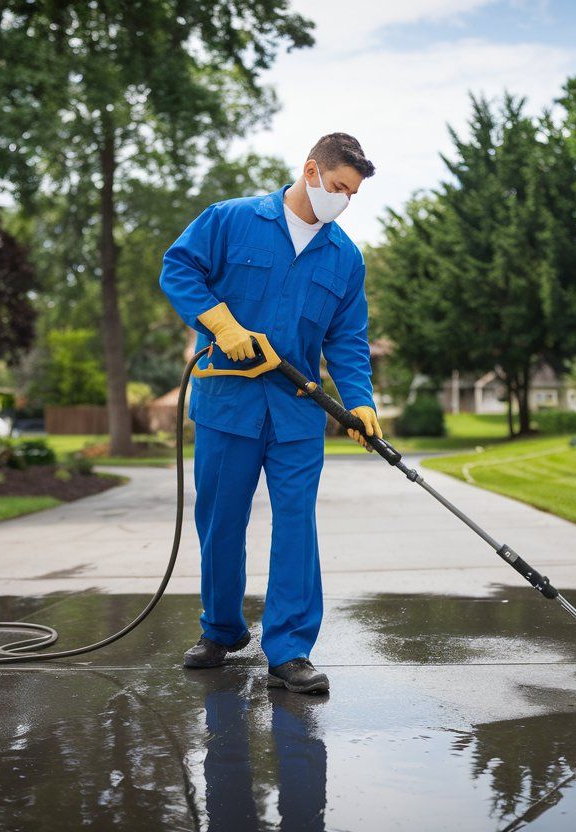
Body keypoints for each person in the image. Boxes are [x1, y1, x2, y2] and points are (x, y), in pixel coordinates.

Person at [159, 133, 380, 694]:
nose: (342, 202)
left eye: (351, 195)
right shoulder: (231, 220)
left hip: (298, 411)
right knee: (222, 520)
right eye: (337, 187)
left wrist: (359, 401)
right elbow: (178, 268)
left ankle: (289, 649)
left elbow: (348, 339)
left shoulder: (344, 257)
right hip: (226, 404)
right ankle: (223, 629)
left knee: (296, 527)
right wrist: (221, 323)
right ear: (310, 170)